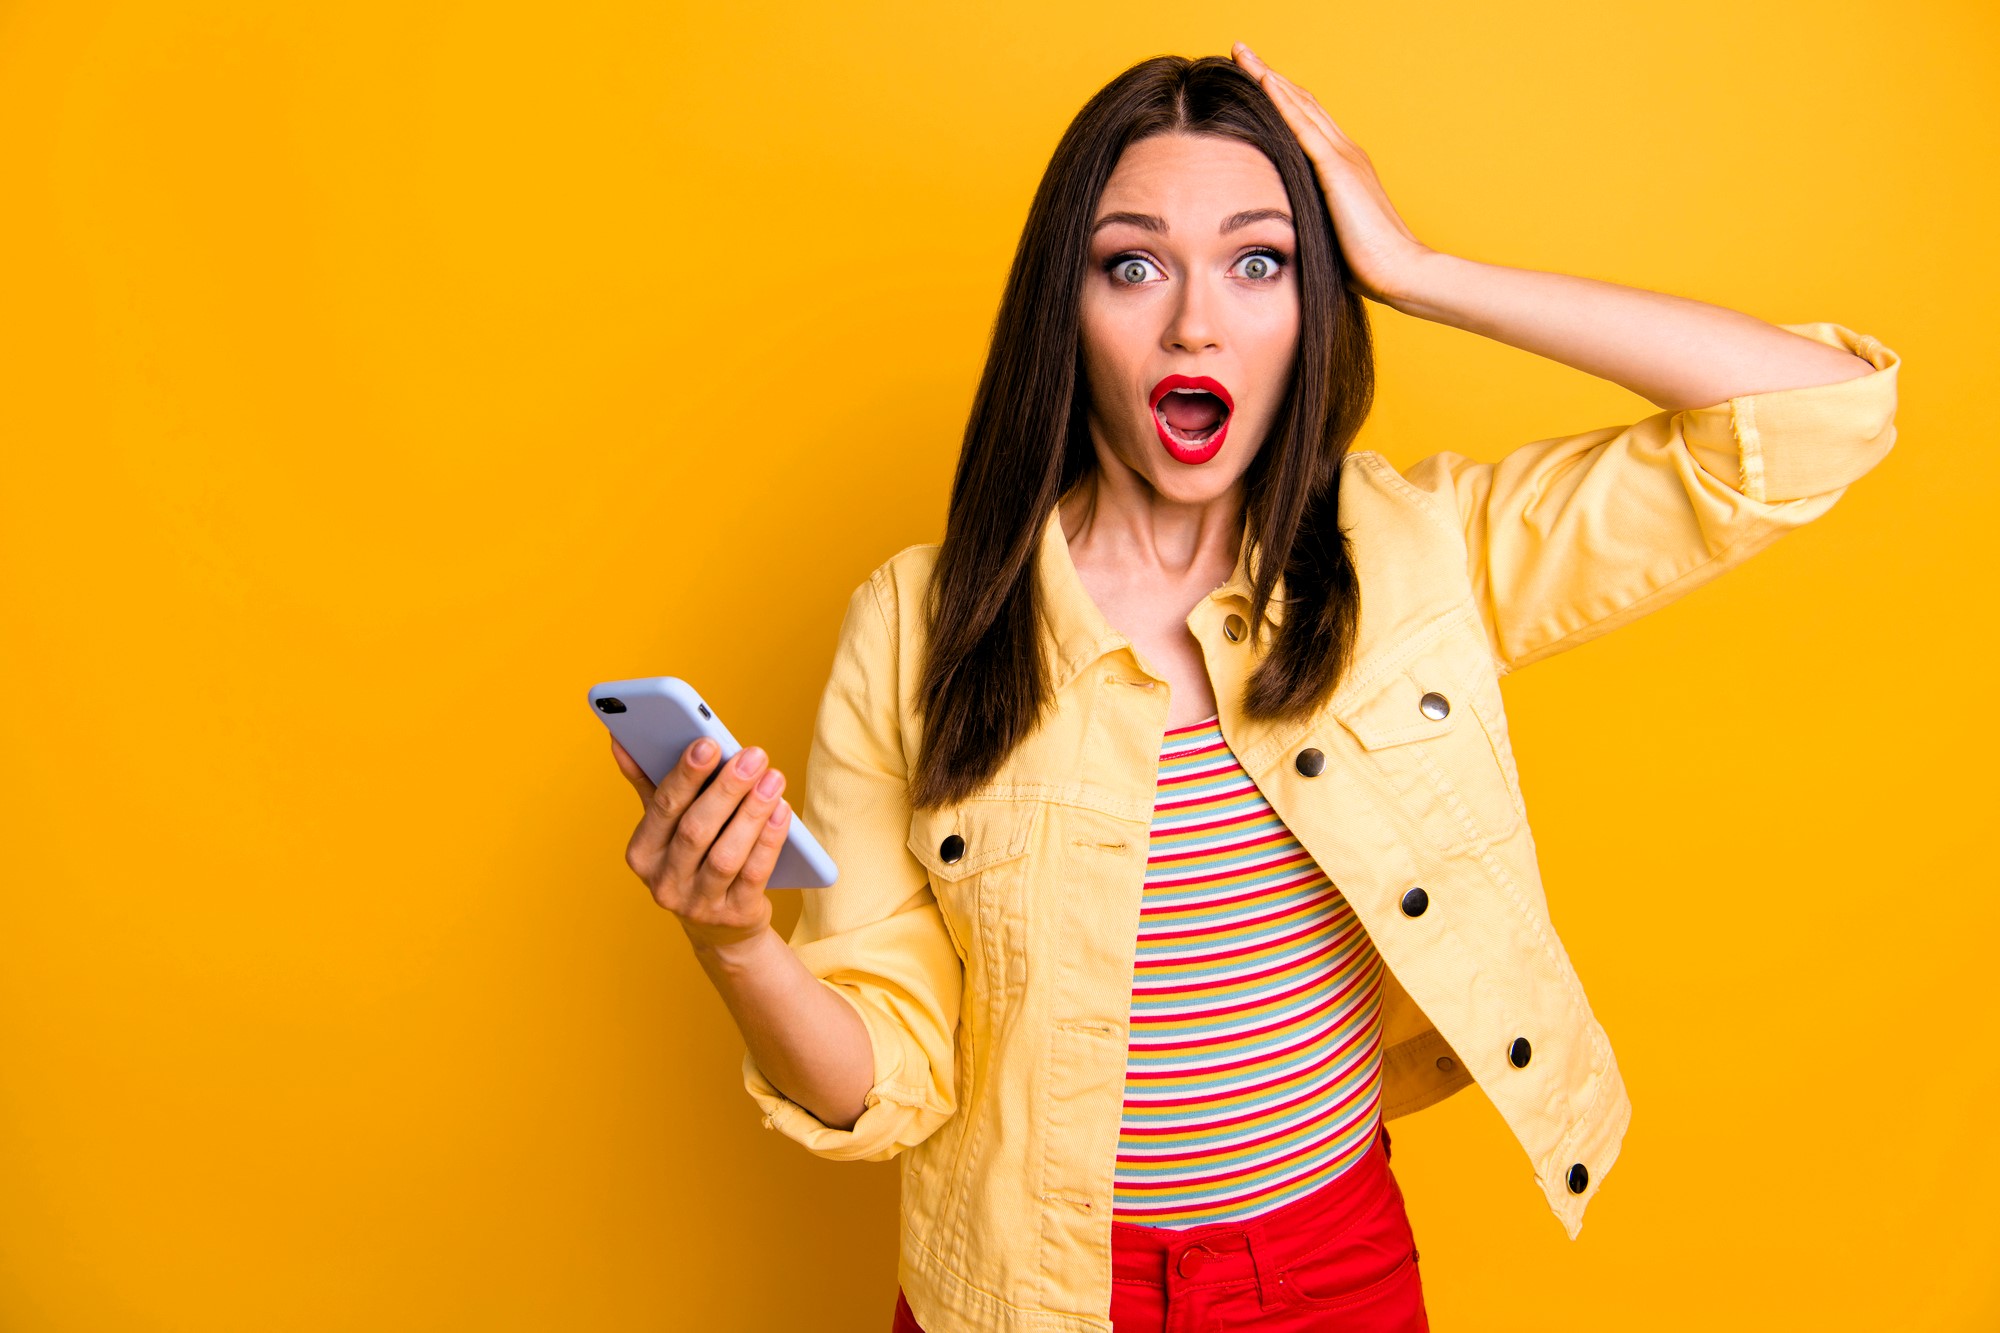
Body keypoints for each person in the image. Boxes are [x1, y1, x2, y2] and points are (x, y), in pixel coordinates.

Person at [609, 45, 1900, 1333]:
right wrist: (736, 944)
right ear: (1066, 307)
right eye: (1132, 264)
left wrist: (1419, 272)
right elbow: (884, 1077)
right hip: (1025, 1290)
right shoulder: (917, 627)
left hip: (1328, 1266)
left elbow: (1817, 418)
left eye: (1259, 261)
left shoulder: (1418, 555)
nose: (1194, 321)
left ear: (1311, 306)